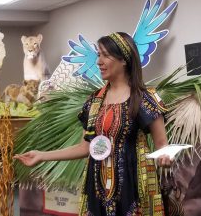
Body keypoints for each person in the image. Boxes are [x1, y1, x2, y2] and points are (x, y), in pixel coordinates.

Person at [14, 32, 171, 216]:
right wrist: (42, 155)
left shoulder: (144, 98)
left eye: (106, 55)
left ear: (124, 60)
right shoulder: (94, 101)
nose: (99, 61)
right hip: (97, 187)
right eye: (98, 55)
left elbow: (162, 145)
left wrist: (166, 157)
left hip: (133, 185)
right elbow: (85, 148)